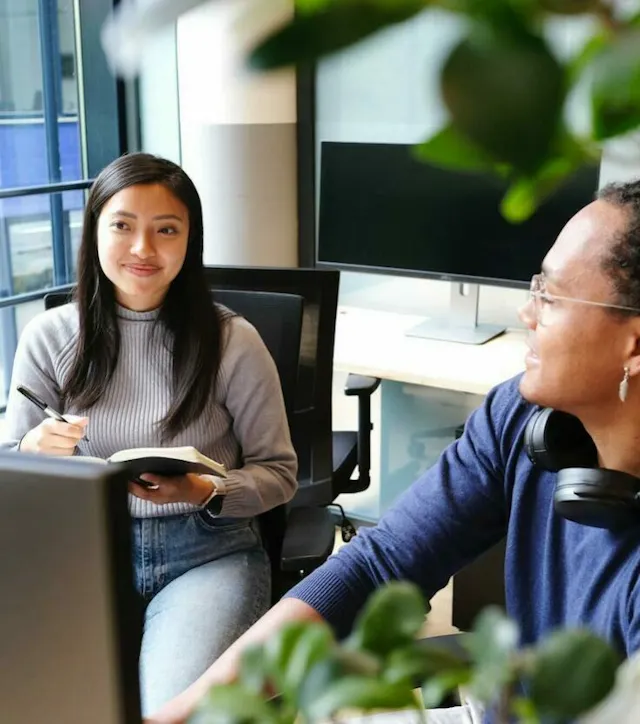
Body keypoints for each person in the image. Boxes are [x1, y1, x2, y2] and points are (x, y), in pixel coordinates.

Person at [147, 178, 640, 724]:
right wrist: (188, 712)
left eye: (549, 295)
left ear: (633, 343)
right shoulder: (521, 420)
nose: (527, 312)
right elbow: (379, 566)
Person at [0, 152, 298, 715]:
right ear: (94, 233)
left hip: (206, 554)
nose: (143, 249)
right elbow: (11, 469)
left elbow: (280, 473)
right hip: (79, 555)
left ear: (191, 242)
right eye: (122, 226)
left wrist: (207, 490)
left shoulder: (234, 342)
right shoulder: (47, 337)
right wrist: (32, 451)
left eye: (166, 230)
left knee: (168, 710)